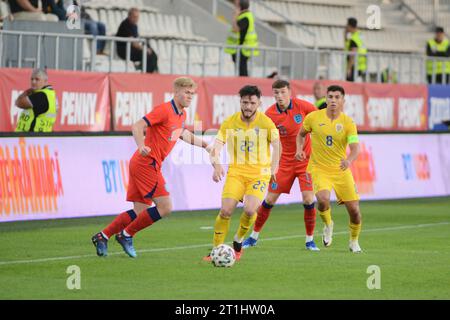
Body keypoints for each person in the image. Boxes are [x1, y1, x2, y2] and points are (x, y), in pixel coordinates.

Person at [92, 77, 211, 258]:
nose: (189, 96)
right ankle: (126, 235)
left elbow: (182, 134)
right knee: (165, 207)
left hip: (145, 164)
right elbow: (137, 126)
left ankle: (103, 236)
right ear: (176, 92)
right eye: (186, 92)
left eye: (192, 94)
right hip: (146, 163)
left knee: (139, 211)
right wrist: (141, 146)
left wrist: (205, 145)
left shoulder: (182, 114)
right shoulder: (164, 110)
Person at [203, 85, 280, 262]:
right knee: (225, 211)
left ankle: (238, 240)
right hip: (236, 173)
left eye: (252, 103)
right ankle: (216, 249)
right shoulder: (230, 122)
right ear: (240, 102)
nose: (248, 106)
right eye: (245, 102)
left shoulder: (266, 123)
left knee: (250, 209)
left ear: (259, 103)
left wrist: (274, 167)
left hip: (259, 174)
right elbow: (216, 147)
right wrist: (216, 166)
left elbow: (277, 145)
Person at [242, 80, 319, 251]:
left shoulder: (303, 106)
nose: (279, 96)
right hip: (283, 162)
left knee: (308, 199)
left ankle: (310, 240)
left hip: (304, 161)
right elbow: (262, 137)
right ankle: (253, 237)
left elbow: (320, 121)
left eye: (283, 92)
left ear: (289, 92)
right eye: (276, 93)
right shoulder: (270, 114)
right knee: (269, 199)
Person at [295, 85, 362, 253]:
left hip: (340, 170)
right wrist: (299, 149)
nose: (333, 100)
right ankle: (328, 224)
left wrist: (349, 160)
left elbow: (355, 148)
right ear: (326, 98)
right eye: (330, 96)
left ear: (343, 101)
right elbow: (301, 134)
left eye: (337, 97)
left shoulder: (348, 122)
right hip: (319, 168)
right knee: (323, 199)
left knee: (354, 211)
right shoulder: (313, 118)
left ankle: (354, 241)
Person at [116, 7, 158, 73]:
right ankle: (145, 73)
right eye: (134, 17)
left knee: (153, 55)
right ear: (129, 16)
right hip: (124, 50)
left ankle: (152, 71)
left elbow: (136, 40)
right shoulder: (125, 24)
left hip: (132, 49)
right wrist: (145, 48)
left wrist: (146, 47)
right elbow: (133, 42)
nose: (136, 19)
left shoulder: (134, 25)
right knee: (146, 53)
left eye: (137, 17)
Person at [15, 68, 58, 132]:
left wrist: (26, 93)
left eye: (37, 79)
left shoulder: (41, 95)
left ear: (45, 81)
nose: (33, 82)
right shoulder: (51, 95)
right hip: (42, 137)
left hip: (30, 138)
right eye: (32, 79)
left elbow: (19, 103)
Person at [225, 0, 259, 77]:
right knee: (241, 70)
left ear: (240, 7)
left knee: (242, 71)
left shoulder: (245, 17)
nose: (234, 8)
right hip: (241, 48)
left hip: (243, 48)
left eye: (236, 6)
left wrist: (234, 16)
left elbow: (236, 29)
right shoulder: (246, 15)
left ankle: (244, 86)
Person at [345, 17, 367, 82]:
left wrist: (348, 69)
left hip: (354, 66)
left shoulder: (353, 39)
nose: (346, 27)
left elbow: (352, 55)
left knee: (350, 88)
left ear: (349, 26)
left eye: (347, 25)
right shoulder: (360, 35)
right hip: (361, 66)